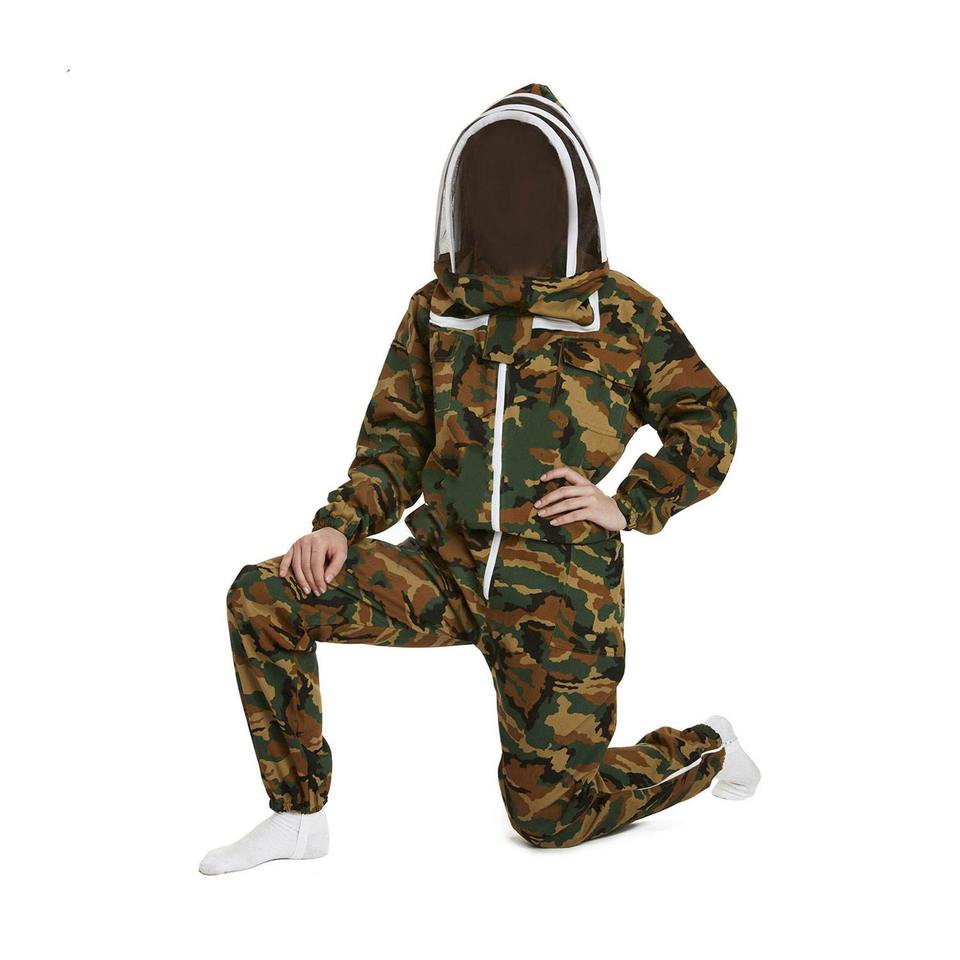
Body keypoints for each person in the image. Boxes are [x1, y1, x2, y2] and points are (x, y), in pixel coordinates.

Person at [199, 83, 759, 875]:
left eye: (527, 188)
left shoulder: (621, 314)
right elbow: (394, 444)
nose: (509, 205)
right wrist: (338, 525)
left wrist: (628, 504)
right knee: (265, 595)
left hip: (559, 592)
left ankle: (708, 748)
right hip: (444, 568)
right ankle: (297, 815)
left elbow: (708, 417)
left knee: (552, 816)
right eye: (494, 187)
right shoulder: (436, 311)